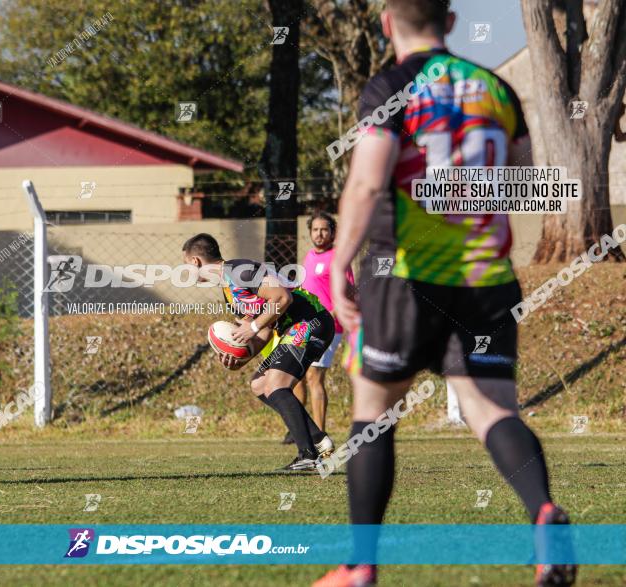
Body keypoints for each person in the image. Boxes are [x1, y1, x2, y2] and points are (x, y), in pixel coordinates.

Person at [313, 1, 575, 585]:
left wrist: (339, 264)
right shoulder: (495, 88)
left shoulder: (392, 85)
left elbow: (366, 180)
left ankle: (359, 566)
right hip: (486, 278)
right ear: (450, 22)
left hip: (405, 275)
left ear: (386, 22)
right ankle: (543, 512)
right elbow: (524, 180)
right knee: (490, 410)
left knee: (374, 412)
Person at [182, 233, 334, 471]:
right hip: (292, 328)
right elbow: (264, 328)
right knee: (259, 385)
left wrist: (252, 327)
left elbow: (281, 297)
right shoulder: (229, 291)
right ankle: (317, 439)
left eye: (186, 266)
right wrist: (240, 357)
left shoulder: (239, 270)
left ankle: (309, 456)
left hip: (311, 321)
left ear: (195, 262)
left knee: (276, 385)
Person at [282, 212, 354, 445]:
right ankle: (300, 429)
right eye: (315, 229)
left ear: (332, 232)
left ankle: (319, 434)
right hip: (305, 325)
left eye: (324, 229)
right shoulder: (309, 257)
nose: (319, 234)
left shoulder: (339, 257)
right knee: (298, 375)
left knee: (314, 377)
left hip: (329, 326)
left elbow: (349, 291)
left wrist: (327, 315)